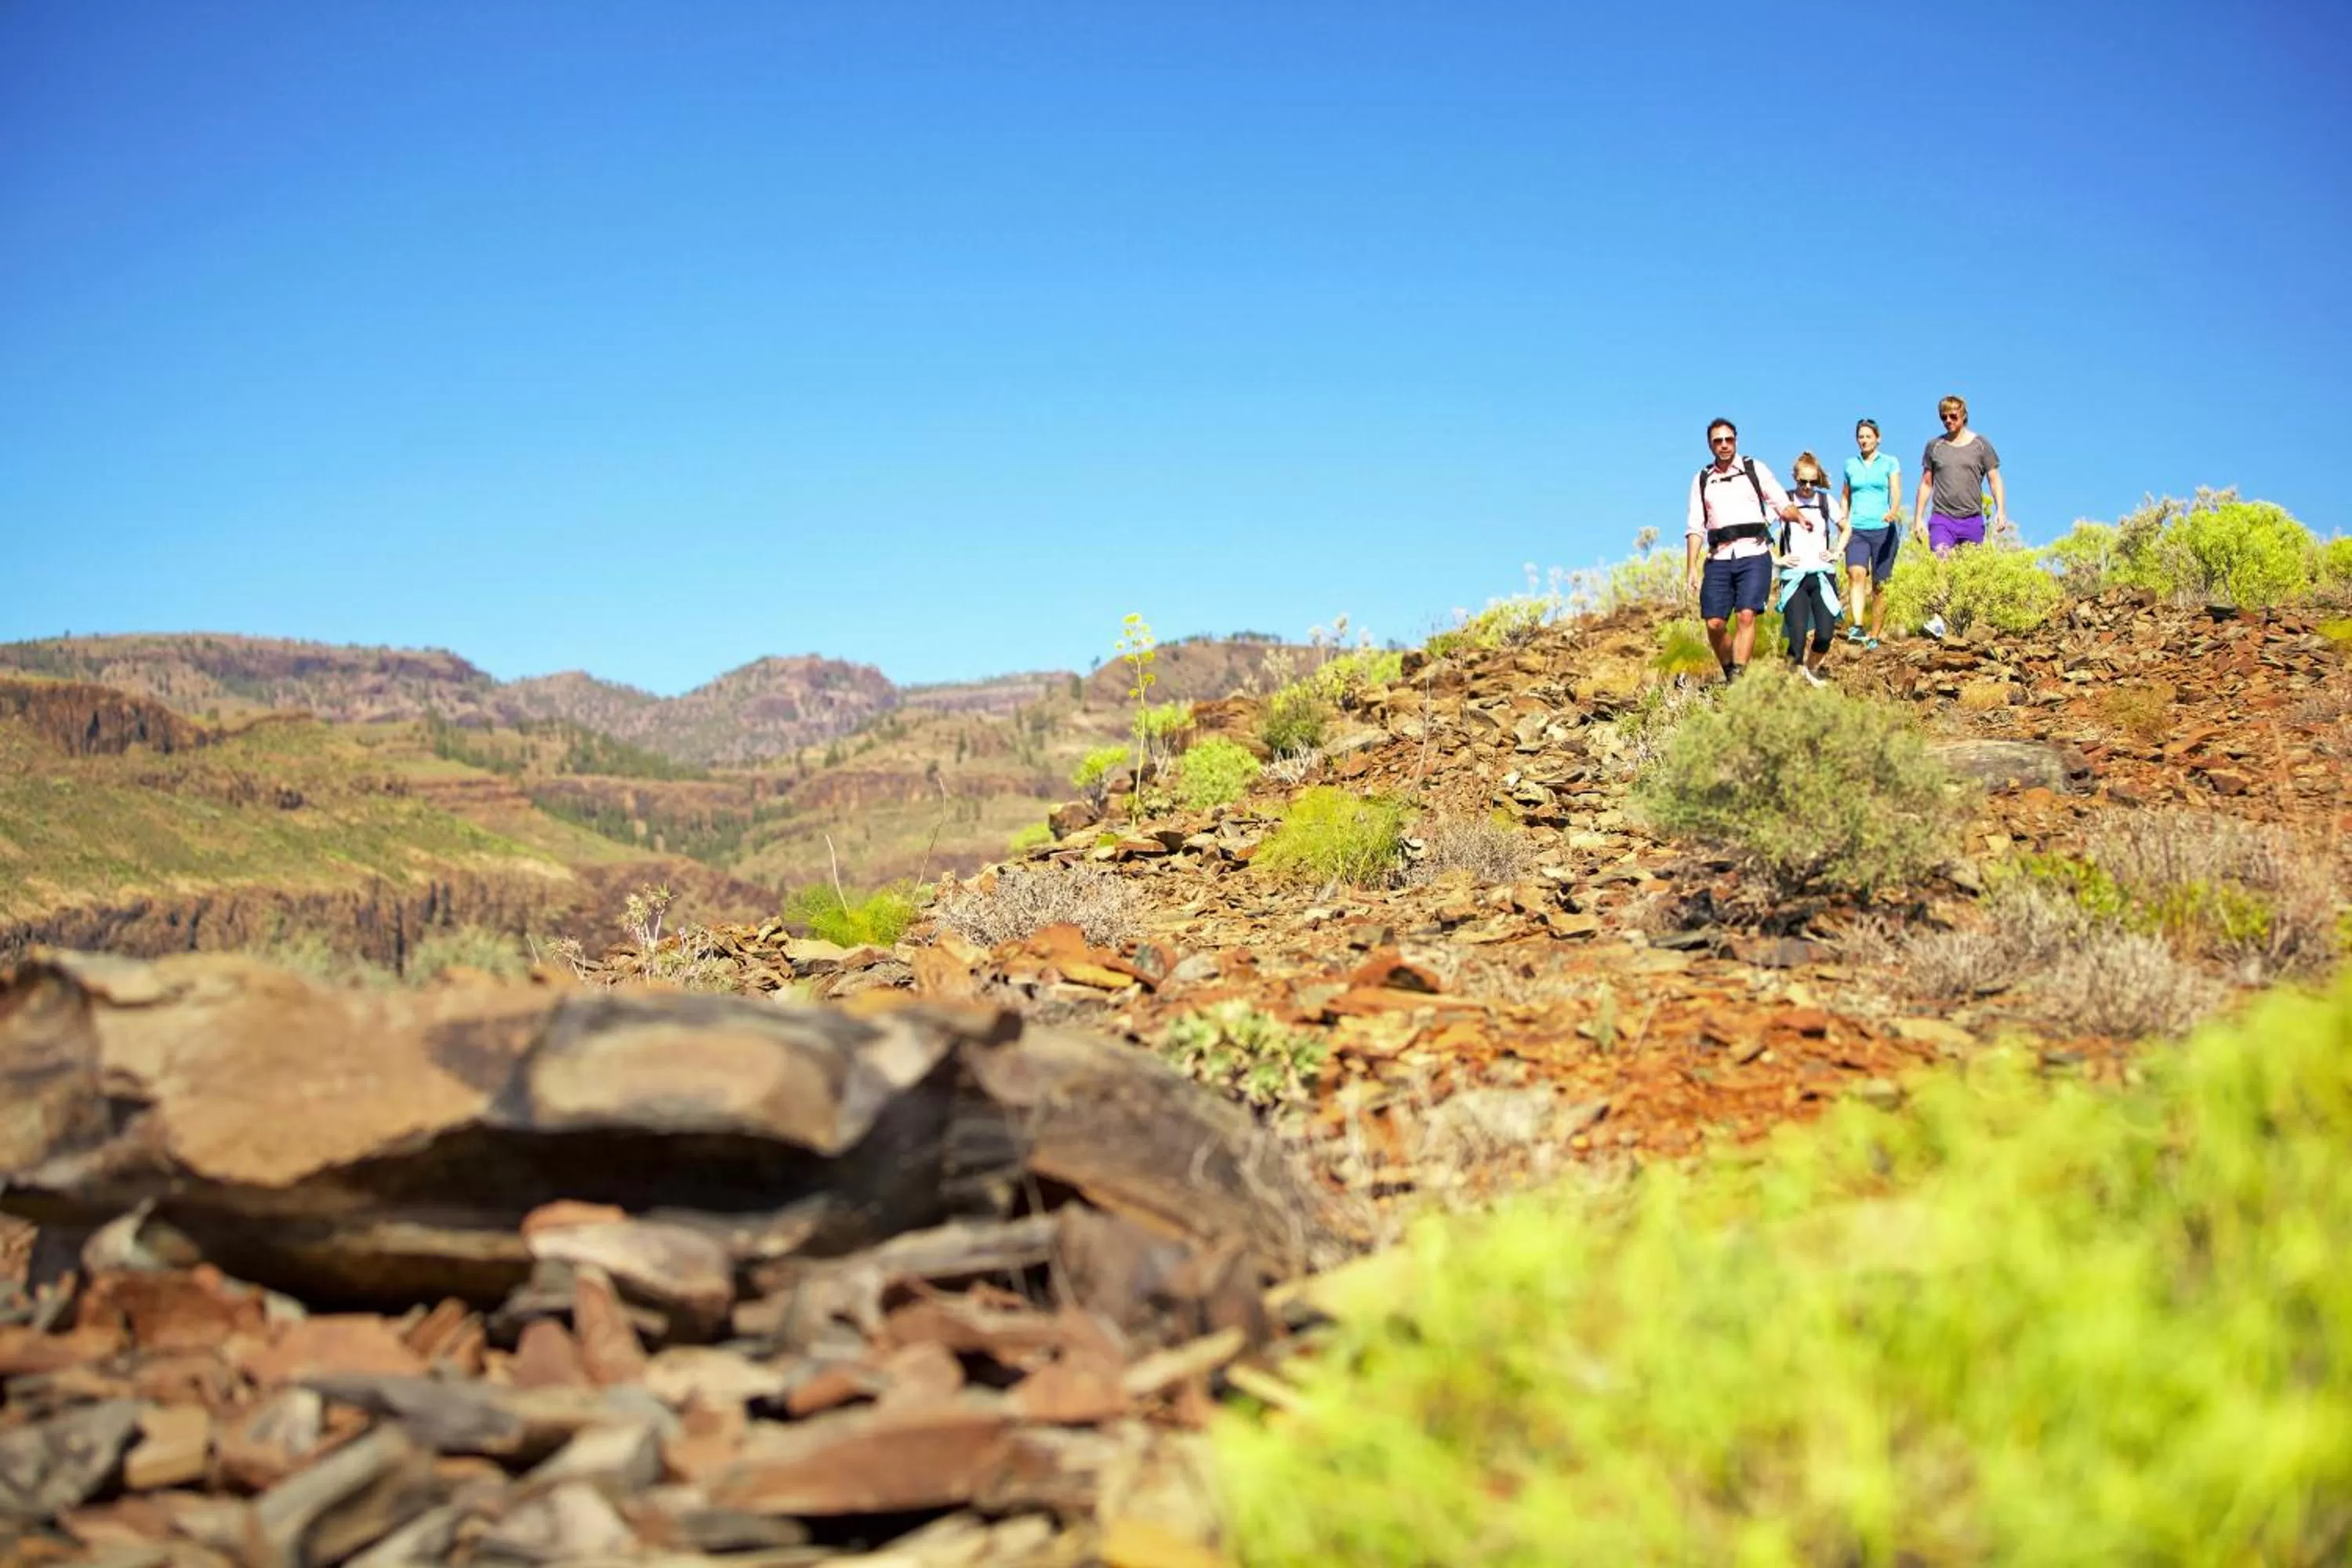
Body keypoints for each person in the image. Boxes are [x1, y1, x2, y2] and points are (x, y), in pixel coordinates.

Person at [1686, 418, 1802, 683]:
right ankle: (1731, 672)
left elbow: (1781, 503)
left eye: (1729, 439)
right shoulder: (1702, 479)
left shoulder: (1754, 468)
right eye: (1718, 441)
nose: (1724, 445)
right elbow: (1695, 526)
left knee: (1747, 614)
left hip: (1754, 554)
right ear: (1710, 445)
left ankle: (1739, 677)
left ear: (1736, 440)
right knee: (1714, 623)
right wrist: (1691, 568)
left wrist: (1798, 517)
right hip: (1719, 558)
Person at [1912, 394, 2006, 637]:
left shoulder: (1981, 445)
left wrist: (2001, 511)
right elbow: (1925, 483)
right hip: (1942, 518)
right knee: (1942, 565)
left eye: (1953, 416)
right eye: (1944, 417)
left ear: (1963, 415)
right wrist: (1918, 519)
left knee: (1969, 572)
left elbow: (1994, 479)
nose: (1948, 420)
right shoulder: (1935, 447)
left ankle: (1970, 624)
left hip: (1972, 519)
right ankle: (1939, 620)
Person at [1777, 452, 1845, 685]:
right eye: (1802, 481)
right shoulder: (1784, 502)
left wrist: (1837, 552)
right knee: (1796, 638)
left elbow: (1847, 527)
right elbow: (1760, 528)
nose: (1807, 487)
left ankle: (1811, 670)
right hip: (1794, 577)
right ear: (1795, 478)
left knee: (1825, 634)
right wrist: (1776, 558)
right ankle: (1791, 682)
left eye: (1812, 482)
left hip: (1822, 575)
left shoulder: (1826, 502)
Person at [1840, 419, 1901, 647]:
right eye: (1861, 436)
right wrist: (1843, 520)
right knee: (1856, 574)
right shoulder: (1850, 465)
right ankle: (1857, 626)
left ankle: (1874, 635)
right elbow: (1846, 495)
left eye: (1868, 436)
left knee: (1880, 585)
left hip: (1883, 530)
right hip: (1857, 529)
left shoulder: (1889, 462)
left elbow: (1895, 490)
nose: (1864, 440)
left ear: (1878, 438)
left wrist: (1893, 511)